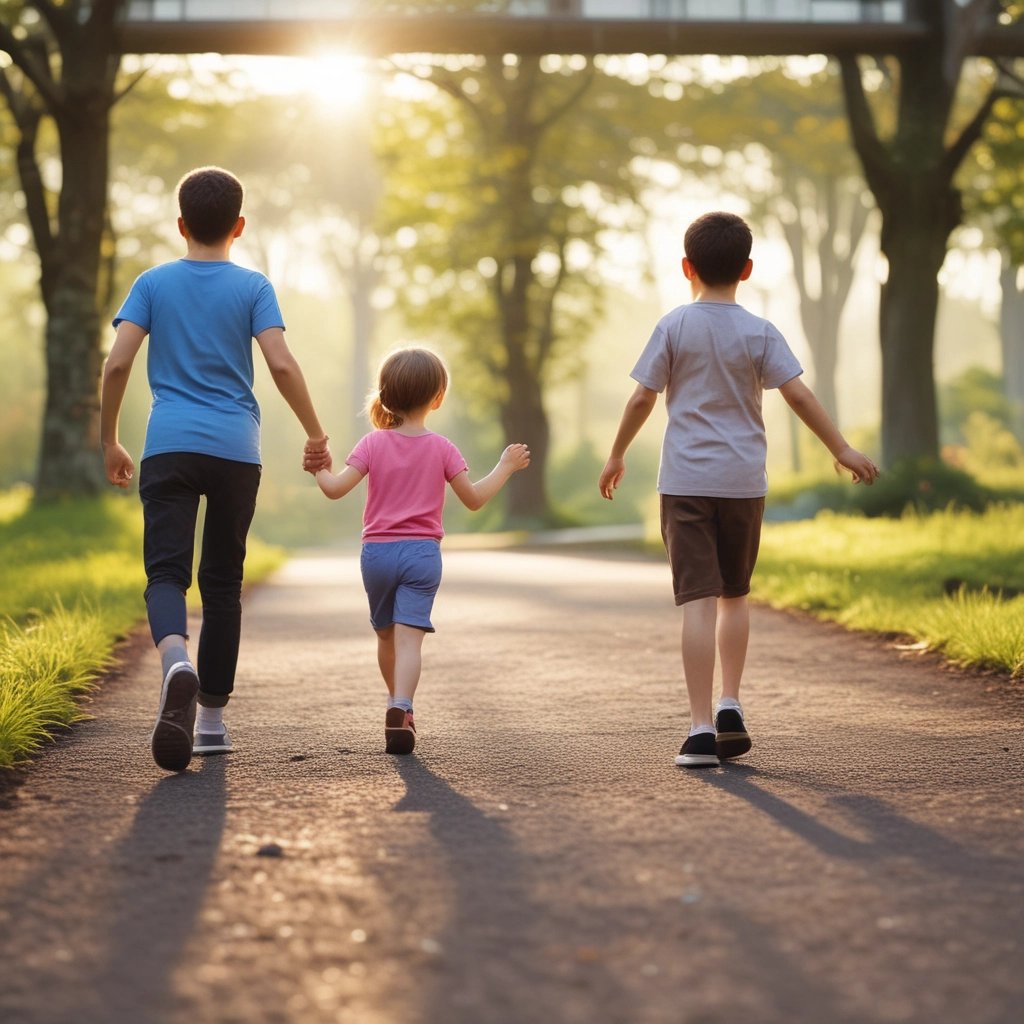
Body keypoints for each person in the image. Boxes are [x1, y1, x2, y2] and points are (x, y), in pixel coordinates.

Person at [598, 211, 878, 769]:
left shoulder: (674, 325)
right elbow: (798, 396)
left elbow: (640, 399)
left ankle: (701, 729)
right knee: (735, 595)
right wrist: (840, 448)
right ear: (747, 269)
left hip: (685, 484)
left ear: (686, 268)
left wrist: (617, 452)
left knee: (697, 601)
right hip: (743, 483)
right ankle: (731, 702)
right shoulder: (760, 331)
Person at [101, 165, 331, 773]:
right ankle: (209, 721)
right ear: (240, 226)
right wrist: (315, 433)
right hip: (236, 449)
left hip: (169, 444)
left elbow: (116, 367)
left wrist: (109, 441)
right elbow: (281, 365)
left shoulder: (151, 283)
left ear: (180, 224)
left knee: (166, 572)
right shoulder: (254, 287)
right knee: (223, 582)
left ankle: (176, 660)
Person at [307, 347, 530, 755]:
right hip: (422, 556)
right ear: (438, 397)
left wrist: (318, 467)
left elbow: (335, 489)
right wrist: (506, 466)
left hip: (376, 555)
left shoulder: (373, 443)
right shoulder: (443, 448)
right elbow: (475, 499)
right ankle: (401, 707)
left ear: (386, 393)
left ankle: (395, 703)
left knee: (386, 636)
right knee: (410, 640)